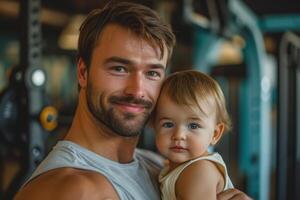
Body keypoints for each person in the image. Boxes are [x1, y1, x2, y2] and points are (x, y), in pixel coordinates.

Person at [15, 2, 251, 200]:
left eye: (152, 73)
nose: (137, 90)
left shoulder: (158, 164)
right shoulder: (73, 189)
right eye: (119, 68)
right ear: (83, 72)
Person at [152, 70, 235, 200]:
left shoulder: (199, 171)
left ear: (215, 134)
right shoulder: (174, 167)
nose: (178, 135)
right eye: (168, 124)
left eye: (193, 126)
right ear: (154, 127)